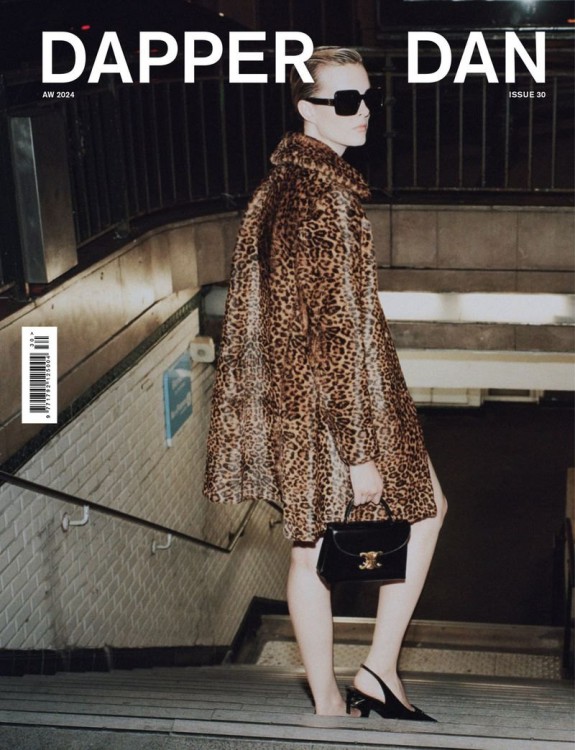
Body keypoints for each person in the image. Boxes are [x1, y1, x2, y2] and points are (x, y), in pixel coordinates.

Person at [204, 46, 447, 720]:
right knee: (424, 512)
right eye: (344, 100)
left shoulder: (283, 185)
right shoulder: (320, 199)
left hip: (300, 405)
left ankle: (333, 698)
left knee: (310, 547)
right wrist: (359, 452)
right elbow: (332, 335)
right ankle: (374, 673)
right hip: (337, 408)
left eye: (367, 97)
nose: (362, 110)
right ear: (305, 109)